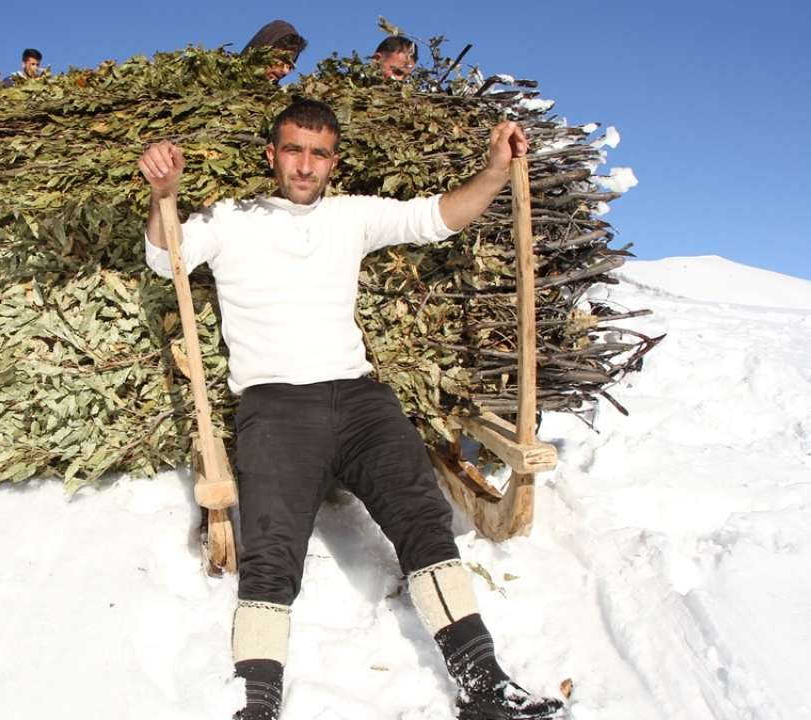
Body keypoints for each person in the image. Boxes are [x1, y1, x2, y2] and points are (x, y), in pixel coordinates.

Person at [138, 99, 565, 720]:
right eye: (292, 149)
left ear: (333, 161)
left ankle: (484, 686)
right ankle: (257, 703)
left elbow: (437, 217)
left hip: (360, 399)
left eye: (318, 153)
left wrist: (497, 171)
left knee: (422, 515)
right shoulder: (231, 219)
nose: (304, 165)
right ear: (272, 154)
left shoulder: (352, 216)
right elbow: (163, 255)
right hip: (275, 405)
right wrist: (163, 193)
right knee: (271, 548)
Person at [239, 20, 307, 84]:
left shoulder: (282, 95)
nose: (285, 71)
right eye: (281, 59)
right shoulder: (229, 86)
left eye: (289, 65)